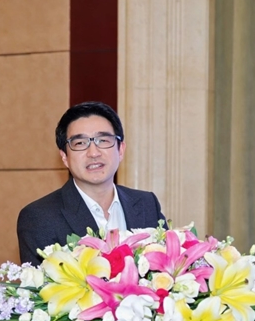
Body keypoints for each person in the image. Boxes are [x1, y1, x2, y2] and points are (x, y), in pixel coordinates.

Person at [17, 101, 166, 265]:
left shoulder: (147, 204)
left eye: (103, 140)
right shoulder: (39, 218)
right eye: (80, 143)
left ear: (120, 150)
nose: (94, 153)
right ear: (65, 157)